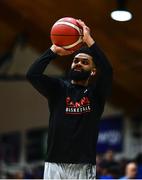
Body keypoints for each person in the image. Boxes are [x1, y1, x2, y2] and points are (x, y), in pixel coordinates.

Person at [26, 19, 113, 179]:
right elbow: (32, 75)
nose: (78, 63)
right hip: (54, 164)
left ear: (93, 71)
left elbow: (107, 71)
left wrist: (89, 40)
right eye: (76, 60)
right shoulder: (58, 89)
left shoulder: (96, 94)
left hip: (83, 166)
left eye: (85, 62)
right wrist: (52, 50)